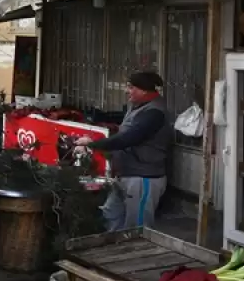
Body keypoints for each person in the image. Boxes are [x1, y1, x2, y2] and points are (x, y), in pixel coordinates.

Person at [74, 71, 173, 231]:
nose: (126, 90)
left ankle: (136, 255)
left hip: (143, 178)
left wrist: (93, 144)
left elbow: (128, 138)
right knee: (110, 215)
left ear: (144, 90)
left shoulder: (154, 113)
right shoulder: (137, 105)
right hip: (125, 174)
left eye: (131, 87)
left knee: (137, 228)